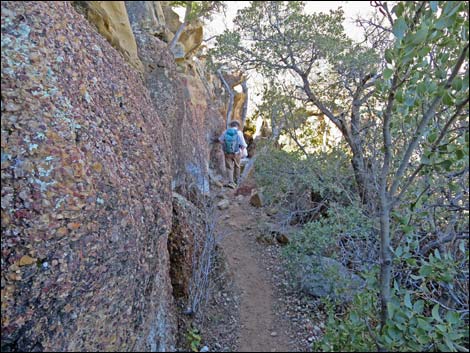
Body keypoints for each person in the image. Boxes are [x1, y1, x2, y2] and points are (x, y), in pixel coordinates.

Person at [219, 120, 247, 189]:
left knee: (229, 167)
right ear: (237, 126)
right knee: (237, 166)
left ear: (231, 125)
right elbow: (243, 144)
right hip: (237, 153)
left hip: (227, 153)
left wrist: (226, 146)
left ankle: (231, 182)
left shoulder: (226, 132)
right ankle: (237, 181)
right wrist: (242, 151)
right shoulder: (239, 133)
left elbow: (220, 140)